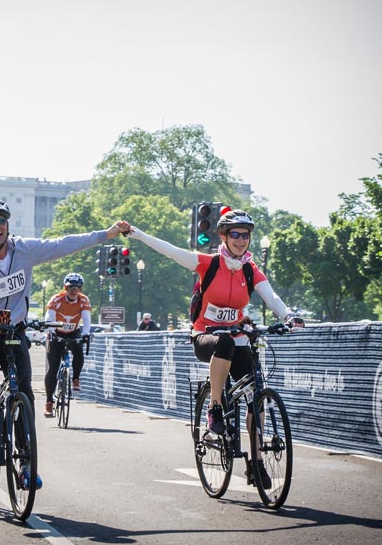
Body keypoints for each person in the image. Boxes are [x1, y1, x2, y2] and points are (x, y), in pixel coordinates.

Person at [0, 198, 130, 486]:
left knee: (24, 393)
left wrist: (105, 234)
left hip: (13, 328)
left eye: (2, 221)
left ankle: (25, 464)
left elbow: (62, 244)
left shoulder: (24, 249)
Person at [127, 209, 303, 488]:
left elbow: (271, 295)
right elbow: (171, 251)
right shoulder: (208, 264)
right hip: (206, 337)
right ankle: (215, 407)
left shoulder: (250, 269)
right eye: (235, 234)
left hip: (236, 337)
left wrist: (288, 317)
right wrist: (137, 234)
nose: (241, 240)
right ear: (224, 236)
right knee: (225, 342)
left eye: (245, 235)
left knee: (256, 395)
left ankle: (256, 463)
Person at [42, 272, 91, 417]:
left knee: (79, 351)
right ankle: (49, 402)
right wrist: (51, 331)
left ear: (80, 289)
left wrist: (86, 334)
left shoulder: (83, 300)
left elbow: (86, 319)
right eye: (70, 287)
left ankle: (76, 378)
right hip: (57, 332)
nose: (73, 291)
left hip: (73, 331)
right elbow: (49, 317)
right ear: (65, 288)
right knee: (53, 368)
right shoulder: (57, 299)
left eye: (77, 288)